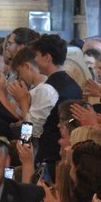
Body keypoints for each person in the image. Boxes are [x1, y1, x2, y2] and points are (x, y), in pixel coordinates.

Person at [34, 35, 83, 165]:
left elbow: (33, 128)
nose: (35, 60)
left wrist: (22, 102)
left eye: (37, 55)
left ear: (47, 57)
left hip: (48, 154)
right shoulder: (74, 85)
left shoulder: (46, 89)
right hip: (67, 150)